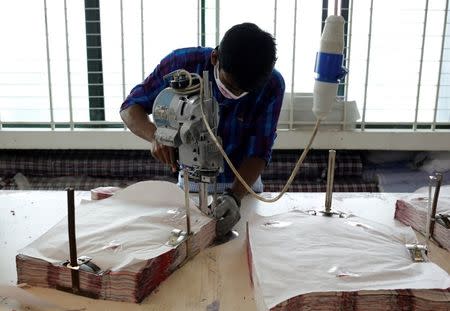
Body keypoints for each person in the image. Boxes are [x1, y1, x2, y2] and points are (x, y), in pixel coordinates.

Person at [120, 22, 285, 237]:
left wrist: (234, 197)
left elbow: (260, 151)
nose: (235, 95)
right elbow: (129, 108)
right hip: (191, 181)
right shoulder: (182, 65)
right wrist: (156, 136)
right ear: (215, 59)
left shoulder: (272, 84)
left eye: (245, 91)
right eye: (232, 86)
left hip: (243, 185)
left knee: (242, 247)